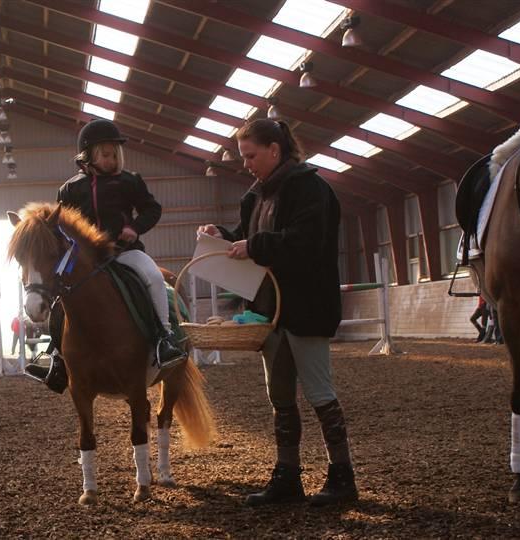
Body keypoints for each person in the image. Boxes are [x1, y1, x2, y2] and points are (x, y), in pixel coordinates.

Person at [197, 118, 358, 507]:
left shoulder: (310, 189)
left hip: (306, 307)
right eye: (243, 157)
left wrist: (254, 244)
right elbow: (249, 241)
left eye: (251, 156)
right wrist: (225, 236)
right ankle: (287, 477)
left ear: (275, 149)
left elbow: (304, 241)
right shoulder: (256, 197)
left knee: (320, 392)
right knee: (280, 396)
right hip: (270, 311)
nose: (246, 164)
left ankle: (342, 477)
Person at [26, 118, 187, 392]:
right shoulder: (70, 189)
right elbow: (61, 227)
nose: (112, 160)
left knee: (153, 278)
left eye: (115, 154)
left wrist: (134, 228)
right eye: (106, 154)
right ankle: (55, 353)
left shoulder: (129, 181)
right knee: (60, 294)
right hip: (86, 260)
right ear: (88, 156)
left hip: (125, 253)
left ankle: (165, 338)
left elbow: (152, 209)